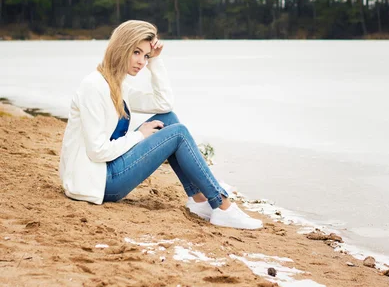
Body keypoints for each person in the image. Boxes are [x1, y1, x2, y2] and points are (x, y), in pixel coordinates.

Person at [59, 20, 262, 230]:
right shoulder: (94, 87)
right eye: (136, 52)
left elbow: (163, 104)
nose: (141, 61)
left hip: (103, 172)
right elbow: (97, 151)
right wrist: (140, 135)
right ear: (121, 47)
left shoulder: (117, 85)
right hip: (95, 183)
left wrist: (156, 62)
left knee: (169, 120)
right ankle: (222, 205)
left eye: (145, 56)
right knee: (179, 133)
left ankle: (199, 199)